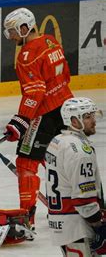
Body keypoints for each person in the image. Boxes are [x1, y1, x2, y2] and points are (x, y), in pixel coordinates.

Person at [2, 7, 74, 227]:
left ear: (25, 27)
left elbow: (35, 92)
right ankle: (70, 208)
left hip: (43, 114)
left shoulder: (26, 55)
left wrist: (21, 120)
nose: (10, 36)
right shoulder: (51, 41)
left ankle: (26, 216)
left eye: (13, 31)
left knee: (26, 163)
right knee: (59, 161)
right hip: (64, 107)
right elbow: (67, 75)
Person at [45, 97, 105, 256]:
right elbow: (83, 199)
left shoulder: (57, 140)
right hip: (78, 227)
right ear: (73, 121)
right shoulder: (80, 151)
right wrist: (99, 224)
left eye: (93, 115)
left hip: (62, 223)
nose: (93, 121)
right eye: (87, 117)